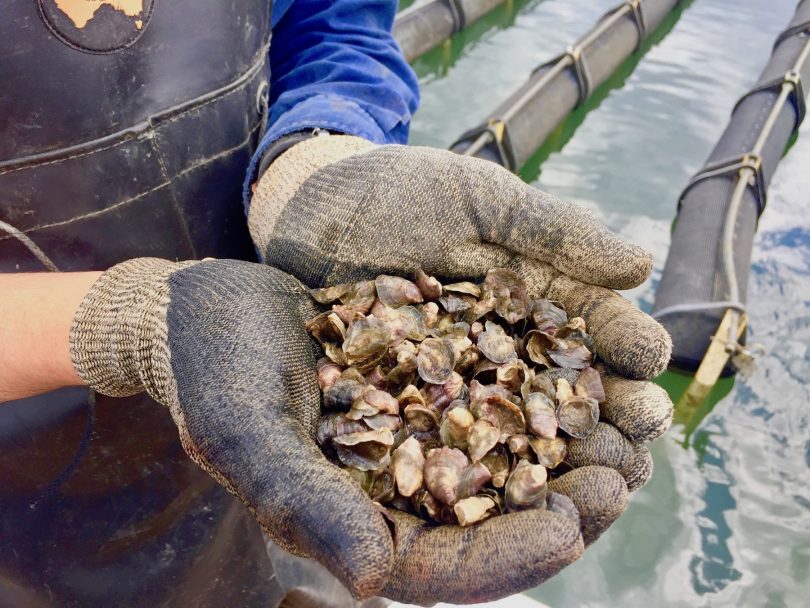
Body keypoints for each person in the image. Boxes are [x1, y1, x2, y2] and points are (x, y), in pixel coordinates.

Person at [0, 0, 674, 605]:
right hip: (28, 505)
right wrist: (123, 322)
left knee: (297, 556)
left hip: (277, 363)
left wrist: (309, 159)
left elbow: (332, 26)